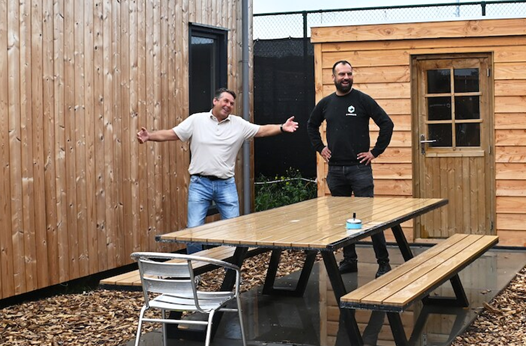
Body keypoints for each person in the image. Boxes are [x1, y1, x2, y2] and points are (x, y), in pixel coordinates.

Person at [136, 87, 298, 253]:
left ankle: (230, 267)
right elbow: (173, 134)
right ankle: (196, 268)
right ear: (215, 101)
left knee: (233, 230)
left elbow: (261, 130)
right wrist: (150, 136)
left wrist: (281, 127)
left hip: (226, 185)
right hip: (199, 184)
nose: (228, 105)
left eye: (232, 103)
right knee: (193, 231)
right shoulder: (197, 120)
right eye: (225, 101)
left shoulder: (239, 124)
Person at [306, 60, 394, 277]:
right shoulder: (326, 103)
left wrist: (375, 152)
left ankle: (383, 263)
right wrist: (320, 148)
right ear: (333, 78)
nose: (346, 77)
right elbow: (311, 125)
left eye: (349, 74)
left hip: (360, 169)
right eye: (341, 74)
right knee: (342, 218)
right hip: (335, 171)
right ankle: (349, 260)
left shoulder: (362, 100)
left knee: (369, 218)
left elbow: (387, 123)